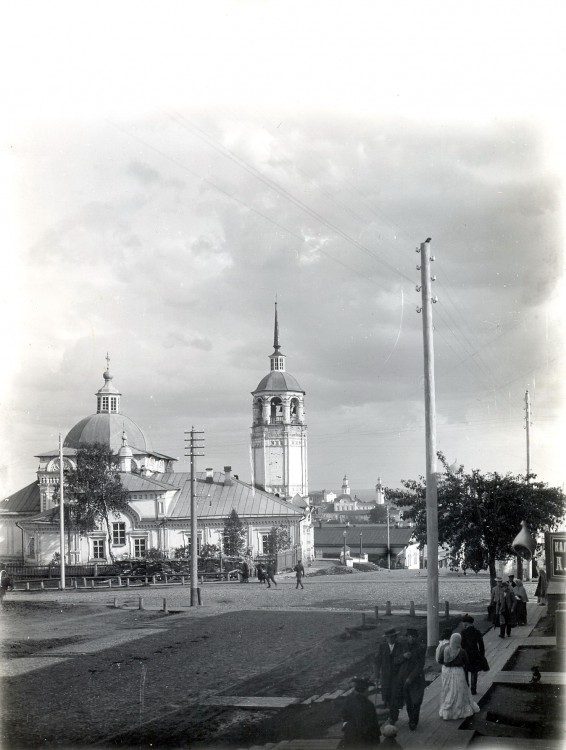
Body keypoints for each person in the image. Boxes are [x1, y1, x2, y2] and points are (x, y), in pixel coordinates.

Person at [438, 632, 480, 721]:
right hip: (458, 671)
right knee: (459, 689)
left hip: (447, 672)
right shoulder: (462, 651)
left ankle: (448, 710)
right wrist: (459, 663)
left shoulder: (445, 649)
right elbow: (467, 662)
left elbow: (440, 660)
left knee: (448, 689)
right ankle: (459, 708)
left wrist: (449, 663)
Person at [374, 627, 406, 724]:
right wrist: (376, 675)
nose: (390, 639)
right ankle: (391, 715)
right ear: (386, 638)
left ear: (395, 637)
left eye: (392, 637)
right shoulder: (382, 647)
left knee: (395, 697)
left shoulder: (401, 646)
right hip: (385, 677)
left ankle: (393, 718)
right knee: (387, 697)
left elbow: (403, 660)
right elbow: (377, 661)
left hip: (397, 677)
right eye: (388, 637)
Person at [340, 676, 381, 749]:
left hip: (350, 734)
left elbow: (344, 715)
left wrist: (347, 726)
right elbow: (372, 722)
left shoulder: (349, 700)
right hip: (365, 737)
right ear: (364, 690)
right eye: (367, 689)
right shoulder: (368, 704)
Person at [401, 628, 426, 730]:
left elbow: (420, 665)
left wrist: (410, 678)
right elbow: (396, 660)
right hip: (404, 679)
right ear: (407, 637)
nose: (411, 638)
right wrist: (403, 656)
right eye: (409, 636)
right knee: (408, 702)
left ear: (416, 638)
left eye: (413, 637)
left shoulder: (421, 648)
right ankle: (411, 718)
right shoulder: (402, 647)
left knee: (416, 701)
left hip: (417, 679)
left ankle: (413, 722)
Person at [460, 615, 486, 695]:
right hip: (475, 653)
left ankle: (466, 688)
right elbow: (481, 645)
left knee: (465, 671)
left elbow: (462, 645)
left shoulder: (463, 632)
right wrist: (482, 655)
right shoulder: (477, 632)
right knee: (474, 672)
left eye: (463, 623)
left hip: (465, 654)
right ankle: (473, 689)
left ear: (466, 623)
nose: (462, 624)